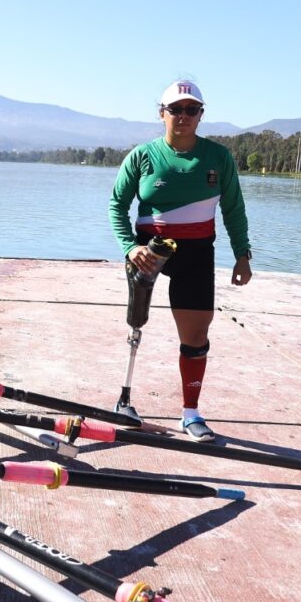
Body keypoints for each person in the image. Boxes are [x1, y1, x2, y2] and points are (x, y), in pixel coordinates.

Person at [108, 79, 252, 442]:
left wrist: (242, 254)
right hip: (149, 251)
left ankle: (190, 414)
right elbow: (117, 206)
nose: (183, 116)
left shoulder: (219, 157)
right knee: (135, 320)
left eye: (191, 110)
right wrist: (129, 246)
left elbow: (234, 208)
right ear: (162, 113)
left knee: (196, 337)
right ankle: (124, 399)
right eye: (176, 109)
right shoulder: (142, 156)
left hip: (197, 253)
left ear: (201, 115)